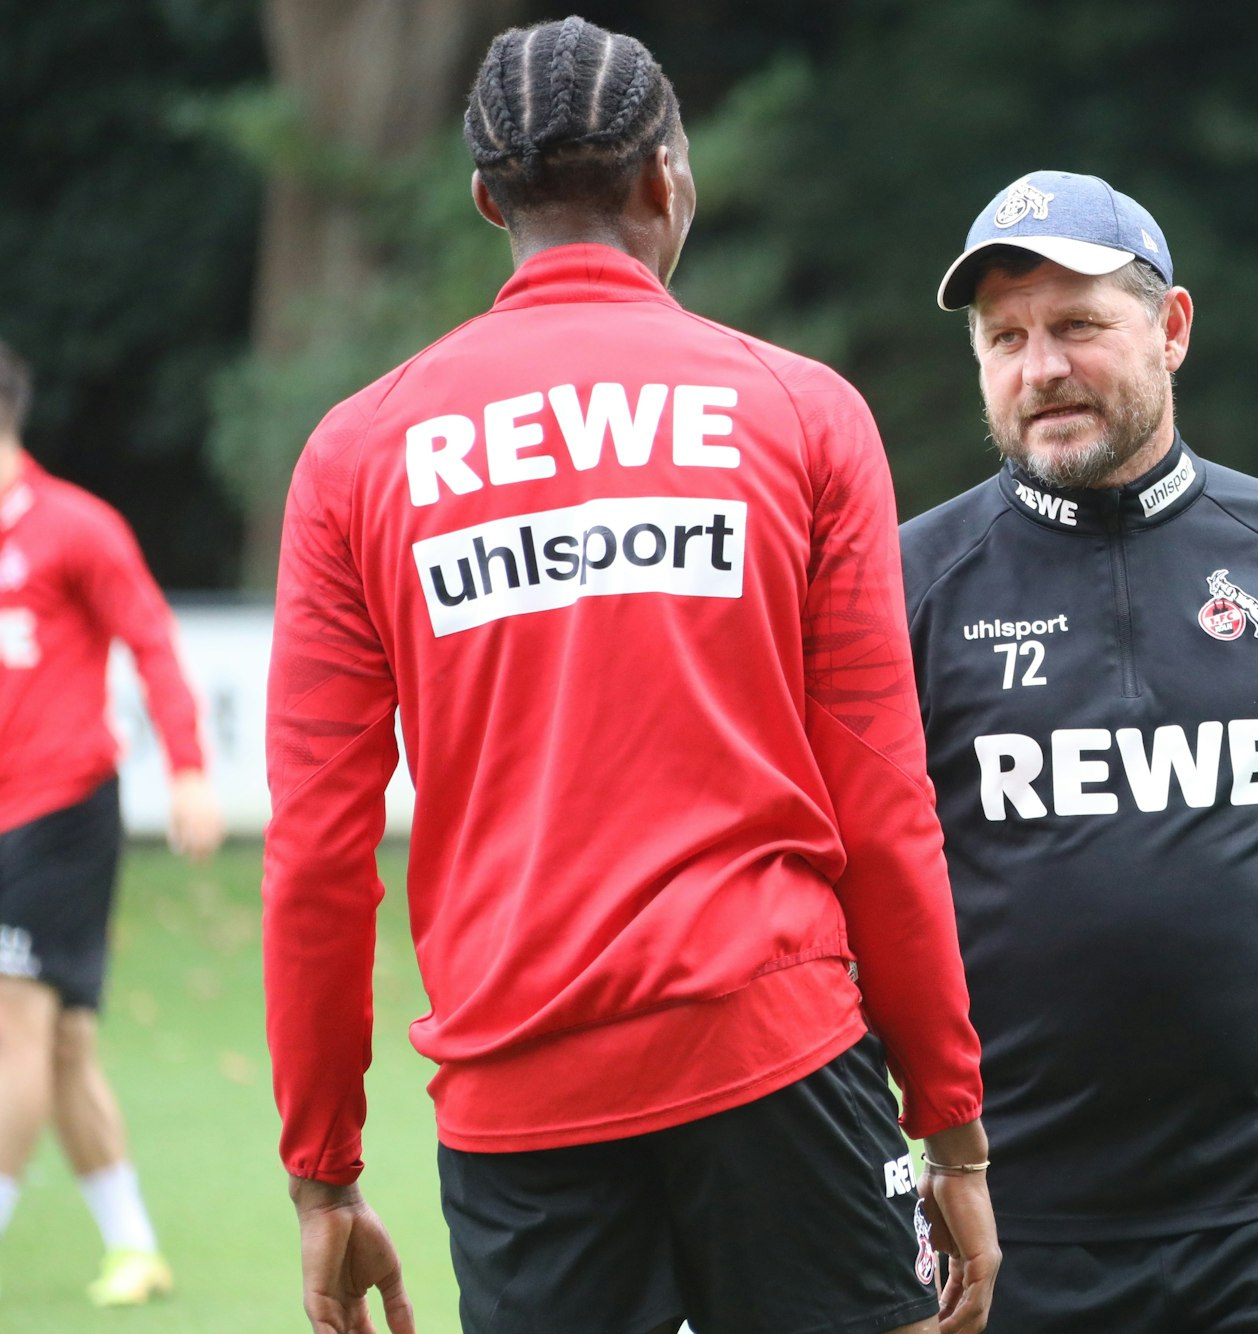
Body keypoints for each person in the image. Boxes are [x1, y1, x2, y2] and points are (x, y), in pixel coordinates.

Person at [261, 18, 998, 1334]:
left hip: (516, 1093)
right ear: (668, 180)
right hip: (781, 1058)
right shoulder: (800, 411)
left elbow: (317, 852)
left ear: (487, 199)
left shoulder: (354, 456)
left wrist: (323, 1167)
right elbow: (884, 802)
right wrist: (948, 1123)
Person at [900, 171, 1258, 1334]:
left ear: (1170, 329)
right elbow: (853, 902)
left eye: (1077, 324)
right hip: (1015, 1224)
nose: (1040, 366)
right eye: (1004, 336)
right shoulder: (909, 585)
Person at [0, 337, 224, 1306]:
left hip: (56, 814)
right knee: (63, 1047)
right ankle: (134, 1244)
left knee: (13, 1028)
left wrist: (187, 768)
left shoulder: (74, 525)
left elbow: (151, 639)